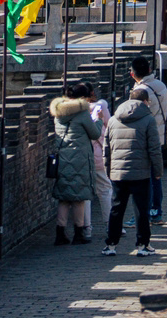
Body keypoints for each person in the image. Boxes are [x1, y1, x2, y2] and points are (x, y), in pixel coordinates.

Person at [103, 86, 164, 258]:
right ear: (145, 101)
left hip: (118, 173)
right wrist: (158, 171)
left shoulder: (114, 120)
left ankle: (111, 245)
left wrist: (108, 169)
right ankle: (143, 245)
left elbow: (107, 148)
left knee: (116, 209)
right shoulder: (148, 120)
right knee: (141, 210)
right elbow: (154, 149)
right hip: (140, 174)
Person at [50, 84, 102, 245]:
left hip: (63, 158)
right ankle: (78, 233)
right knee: (79, 197)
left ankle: (60, 233)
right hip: (79, 159)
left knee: (64, 198)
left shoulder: (58, 114)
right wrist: (98, 121)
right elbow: (95, 134)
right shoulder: (82, 114)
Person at [129, 56, 167, 219]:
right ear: (149, 70)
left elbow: (135, 115)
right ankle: (156, 210)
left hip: (144, 138)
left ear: (132, 74)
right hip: (159, 135)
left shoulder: (141, 91)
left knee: (144, 179)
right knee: (156, 176)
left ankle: (145, 213)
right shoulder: (160, 85)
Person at [85, 83, 114, 232]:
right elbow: (110, 127)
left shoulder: (74, 111)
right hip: (99, 155)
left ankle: (86, 227)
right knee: (105, 189)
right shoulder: (100, 108)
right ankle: (110, 224)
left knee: (85, 194)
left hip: (82, 156)